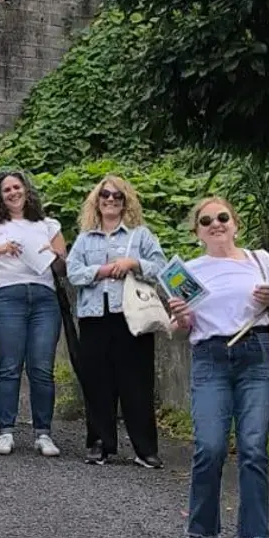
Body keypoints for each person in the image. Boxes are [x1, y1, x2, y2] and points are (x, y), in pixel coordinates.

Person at [168, 197, 269, 538]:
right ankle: (200, 531)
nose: (216, 224)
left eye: (222, 217)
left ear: (235, 223)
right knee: (209, 446)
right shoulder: (186, 273)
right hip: (209, 356)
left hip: (254, 354)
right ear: (197, 232)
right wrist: (180, 316)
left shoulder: (260, 261)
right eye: (206, 220)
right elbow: (178, 332)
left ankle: (257, 536)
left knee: (254, 447)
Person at [66, 176, 168, 467]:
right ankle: (100, 443)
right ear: (96, 201)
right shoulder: (86, 238)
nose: (110, 200)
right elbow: (73, 273)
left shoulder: (141, 236)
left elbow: (161, 267)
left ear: (126, 202)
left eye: (117, 196)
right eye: (105, 195)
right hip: (95, 316)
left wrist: (134, 264)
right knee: (97, 381)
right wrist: (101, 271)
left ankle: (145, 448)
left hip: (132, 316)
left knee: (137, 382)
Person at [0, 170, 67, 457]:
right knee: (9, 366)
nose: (13, 193)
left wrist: (56, 255)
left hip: (44, 299)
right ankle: (6, 432)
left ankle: (43, 433)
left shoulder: (48, 224)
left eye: (17, 187)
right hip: (6, 297)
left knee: (42, 368)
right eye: (6, 190)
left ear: (26, 190)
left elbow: (63, 268)